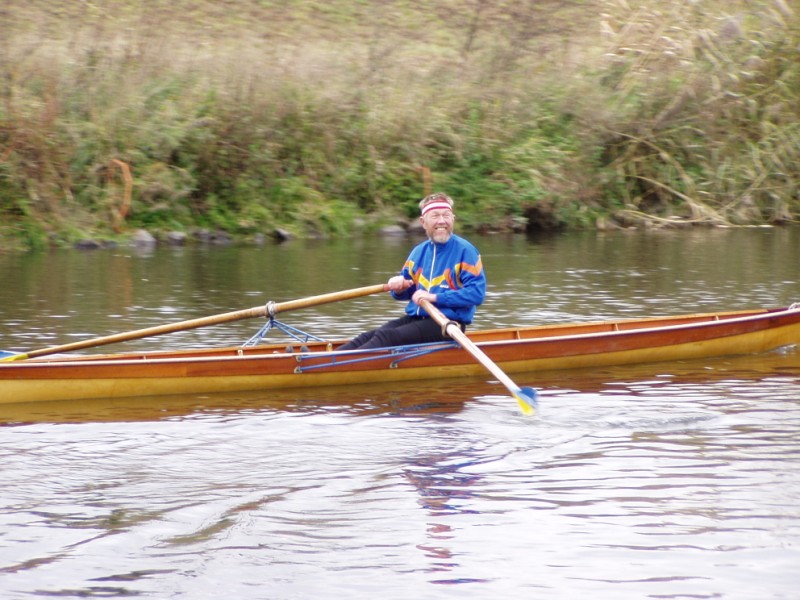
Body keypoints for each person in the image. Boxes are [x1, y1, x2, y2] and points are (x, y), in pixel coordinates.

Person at [337, 192, 486, 351]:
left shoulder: (465, 250)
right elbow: (407, 291)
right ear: (423, 222)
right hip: (417, 317)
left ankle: (343, 364)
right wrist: (399, 288)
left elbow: (476, 294)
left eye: (446, 215)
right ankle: (328, 359)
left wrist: (434, 297)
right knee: (368, 336)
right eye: (435, 216)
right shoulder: (418, 252)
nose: (442, 221)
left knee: (387, 337)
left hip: (447, 323)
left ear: (453, 219)